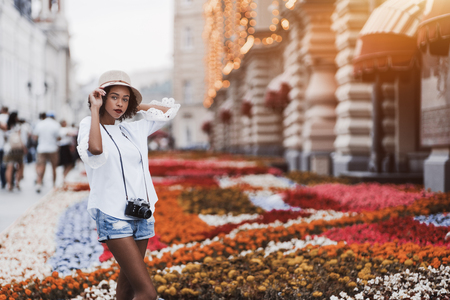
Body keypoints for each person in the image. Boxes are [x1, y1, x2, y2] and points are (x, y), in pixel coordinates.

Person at [77, 70, 180, 300]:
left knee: (126, 291)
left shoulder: (133, 129)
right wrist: (95, 109)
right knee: (147, 293)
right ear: (101, 97)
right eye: (114, 97)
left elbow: (170, 111)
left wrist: (135, 106)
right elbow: (95, 149)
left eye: (125, 98)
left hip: (141, 214)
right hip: (113, 216)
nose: (120, 103)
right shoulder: (88, 125)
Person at [33, 111, 61, 192]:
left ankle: (38, 183)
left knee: (41, 166)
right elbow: (58, 137)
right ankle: (54, 184)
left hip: (41, 148)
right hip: (53, 148)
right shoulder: (55, 124)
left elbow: (35, 136)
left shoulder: (40, 124)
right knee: (54, 167)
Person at [3, 112, 27, 191]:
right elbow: (21, 138)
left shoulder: (6, 126)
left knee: (9, 167)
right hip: (18, 149)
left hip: (8, 149)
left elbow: (5, 138)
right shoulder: (18, 126)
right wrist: (24, 147)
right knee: (20, 166)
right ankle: (17, 182)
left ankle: (9, 185)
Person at [0, 106, 9, 189]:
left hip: (3, 146)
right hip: (4, 146)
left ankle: (4, 181)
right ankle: (5, 181)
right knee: (4, 164)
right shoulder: (7, 118)